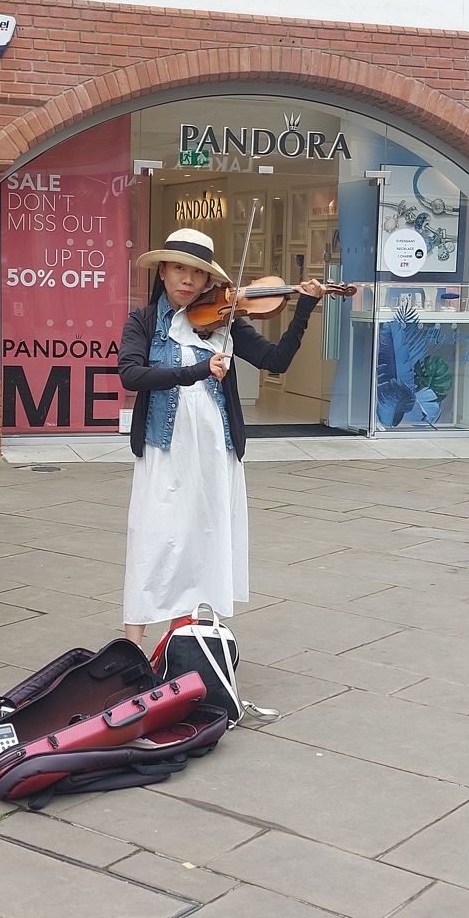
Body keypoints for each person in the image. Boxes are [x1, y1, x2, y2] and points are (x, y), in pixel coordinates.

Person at [117, 227, 325, 647]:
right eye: (179, 269)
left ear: (209, 281)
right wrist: (196, 371)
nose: (187, 281)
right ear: (163, 272)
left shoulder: (223, 321)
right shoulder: (142, 322)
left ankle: (183, 638)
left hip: (215, 450)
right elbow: (132, 374)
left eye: (197, 273)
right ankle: (132, 646)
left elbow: (276, 361)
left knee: (203, 538)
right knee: (155, 538)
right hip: (165, 449)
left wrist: (304, 309)